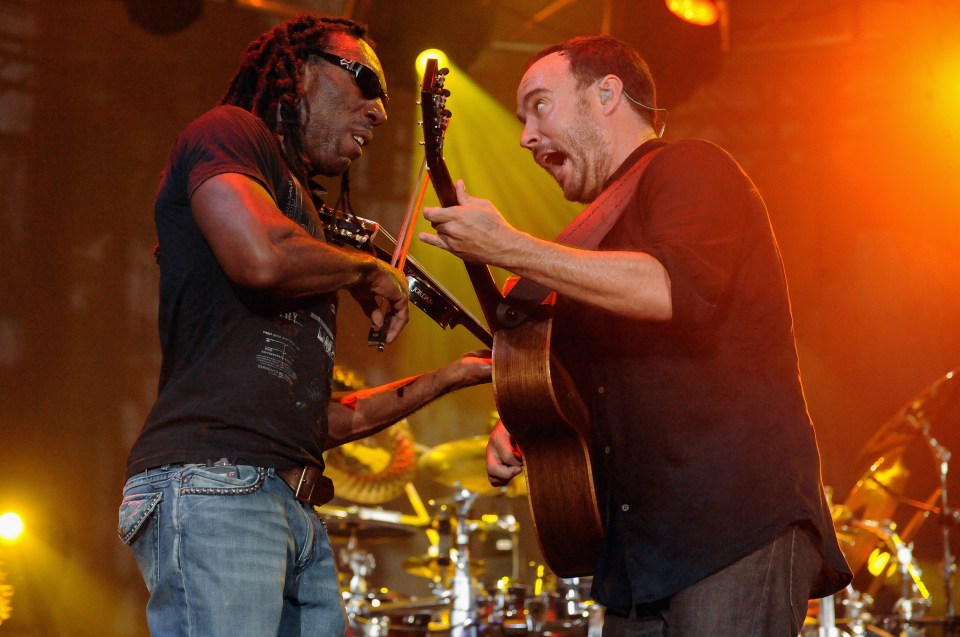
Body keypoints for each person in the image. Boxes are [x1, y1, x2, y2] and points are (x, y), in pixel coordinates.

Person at [420, 35, 851, 636]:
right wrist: (528, 419)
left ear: (606, 94)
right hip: (639, 552)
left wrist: (508, 246)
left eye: (540, 105)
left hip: (731, 527)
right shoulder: (594, 234)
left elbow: (673, 290)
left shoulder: (693, 167)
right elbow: (582, 375)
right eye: (521, 118)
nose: (524, 136)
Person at [117, 15, 491, 637]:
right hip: (216, 484)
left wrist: (453, 376)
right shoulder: (228, 134)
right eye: (367, 82)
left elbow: (318, 421)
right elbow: (258, 256)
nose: (379, 112)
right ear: (303, 72)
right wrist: (367, 271)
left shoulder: (310, 239)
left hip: (288, 503)